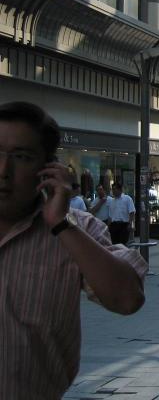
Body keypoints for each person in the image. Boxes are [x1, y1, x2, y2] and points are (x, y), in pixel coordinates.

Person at [0, 102, 146, 399]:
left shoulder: (75, 231)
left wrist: (61, 226)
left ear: (48, 169)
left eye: (21, 157)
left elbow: (127, 299)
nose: (4, 170)